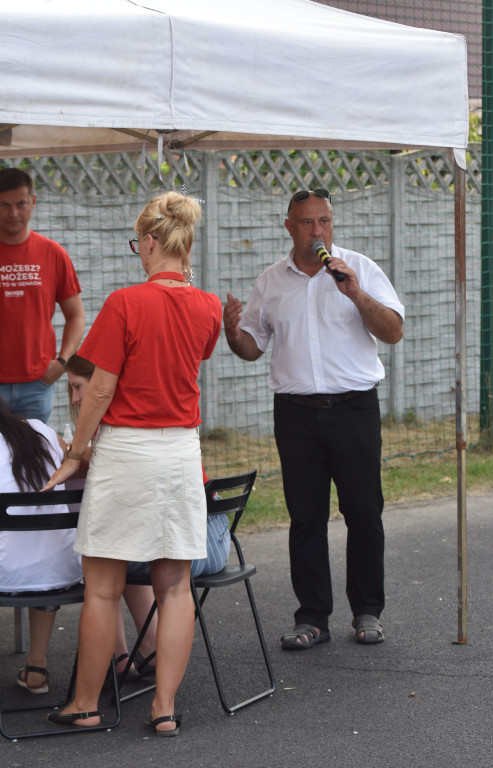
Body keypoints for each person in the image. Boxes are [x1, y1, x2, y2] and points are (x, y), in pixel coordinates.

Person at [43, 190, 222, 736]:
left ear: (148, 241)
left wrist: (76, 454)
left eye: (136, 244)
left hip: (127, 452)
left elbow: (98, 391)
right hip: (181, 451)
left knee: (101, 586)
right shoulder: (209, 306)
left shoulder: (125, 302)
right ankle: (163, 706)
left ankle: (86, 703)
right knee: (174, 587)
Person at [223, 188, 404, 650]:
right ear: (289, 226)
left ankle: (368, 611)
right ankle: (313, 618)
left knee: (363, 511)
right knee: (305, 517)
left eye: (324, 221)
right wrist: (231, 331)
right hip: (297, 415)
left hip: (354, 409)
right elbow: (251, 348)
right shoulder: (271, 281)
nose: (318, 230)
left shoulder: (358, 269)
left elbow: (393, 331)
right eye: (307, 222)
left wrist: (355, 292)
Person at [65, 353, 231, 678]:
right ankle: (148, 649)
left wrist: (73, 450)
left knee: (106, 554)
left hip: (190, 551)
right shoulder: (162, 421)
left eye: (76, 387)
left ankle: (122, 656)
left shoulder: (119, 433)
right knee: (122, 545)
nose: (73, 398)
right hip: (218, 540)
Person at [0, 398, 82, 694]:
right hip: (60, 570)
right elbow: (77, 460)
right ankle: (36, 666)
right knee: (40, 550)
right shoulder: (40, 429)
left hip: (5, 573)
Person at [0, 167, 84, 423]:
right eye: (4, 205)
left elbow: (76, 316)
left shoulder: (53, 254)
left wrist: (62, 361)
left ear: (33, 202)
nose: (13, 213)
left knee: (33, 459)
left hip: (37, 385)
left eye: (21, 204)